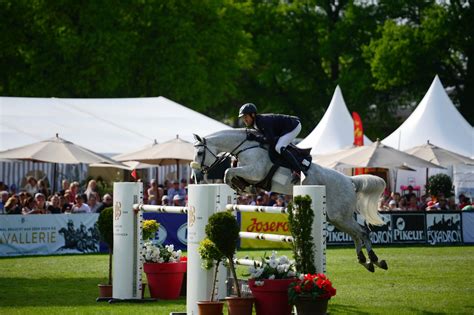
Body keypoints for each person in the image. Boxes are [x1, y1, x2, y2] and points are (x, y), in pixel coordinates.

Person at [238, 103, 304, 184]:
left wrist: (255, 138)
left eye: (245, 117)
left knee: (279, 147)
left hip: (293, 125)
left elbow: (270, 140)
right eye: (243, 118)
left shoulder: (262, 122)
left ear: (253, 115)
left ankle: (298, 171)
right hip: (284, 129)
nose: (244, 120)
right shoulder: (256, 123)